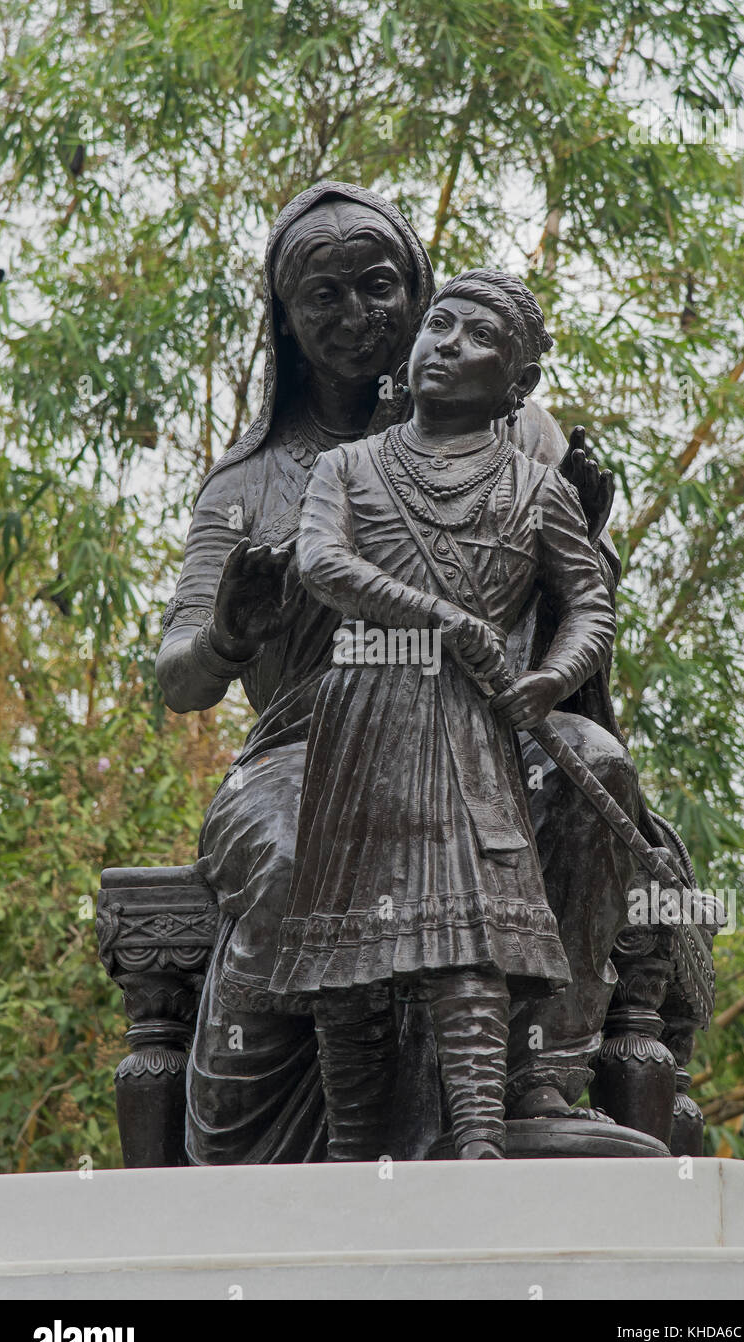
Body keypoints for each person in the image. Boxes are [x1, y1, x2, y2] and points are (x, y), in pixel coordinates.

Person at [267, 270, 617, 1159]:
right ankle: (352, 1153)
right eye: (439, 326)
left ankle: (479, 1140)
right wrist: (445, 618)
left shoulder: (538, 491)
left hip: (470, 727)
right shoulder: (347, 466)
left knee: (472, 937)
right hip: (361, 717)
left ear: (517, 384)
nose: (445, 345)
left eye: (476, 338)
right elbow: (320, 564)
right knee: (345, 954)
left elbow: (588, 604)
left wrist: (548, 678)